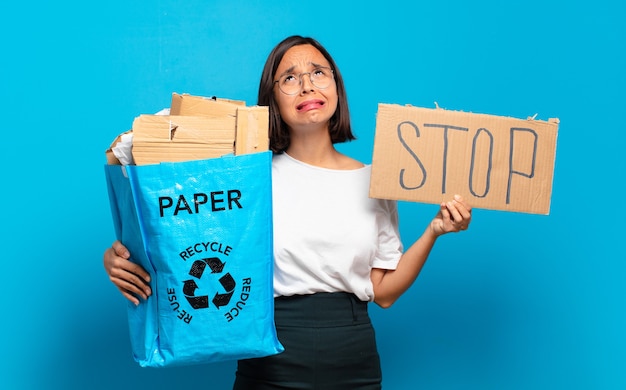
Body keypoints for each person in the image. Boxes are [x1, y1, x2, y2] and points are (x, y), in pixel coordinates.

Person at [103, 35, 472, 389]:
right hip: (271, 358)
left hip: (354, 361)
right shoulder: (246, 178)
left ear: (336, 89)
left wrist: (434, 231)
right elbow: (183, 230)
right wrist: (120, 255)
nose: (307, 86)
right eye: (290, 78)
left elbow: (384, 292)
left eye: (318, 73)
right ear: (272, 101)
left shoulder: (376, 182)